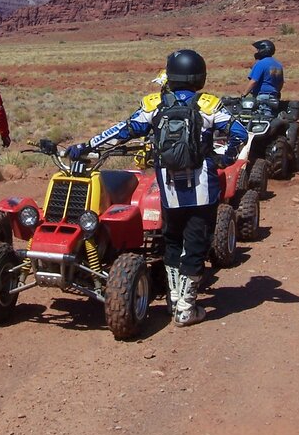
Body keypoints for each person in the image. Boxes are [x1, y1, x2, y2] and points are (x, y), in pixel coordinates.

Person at [66, 49, 247, 328]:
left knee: (172, 242)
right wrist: (226, 157)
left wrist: (87, 146)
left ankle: (174, 301)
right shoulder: (209, 105)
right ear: (199, 75)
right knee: (196, 245)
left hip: (169, 189)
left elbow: (123, 130)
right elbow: (240, 134)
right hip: (203, 189)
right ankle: (187, 309)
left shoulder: (154, 105)